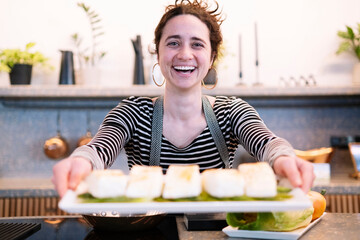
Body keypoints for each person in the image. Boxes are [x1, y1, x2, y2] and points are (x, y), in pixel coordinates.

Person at [52, 0, 315, 198]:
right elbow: (100, 148)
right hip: (148, 232)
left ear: (212, 57)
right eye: (173, 43)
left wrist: (285, 160)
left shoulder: (232, 112)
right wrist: (81, 161)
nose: (185, 54)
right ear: (158, 54)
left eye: (197, 44)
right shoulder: (132, 112)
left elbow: (267, 143)